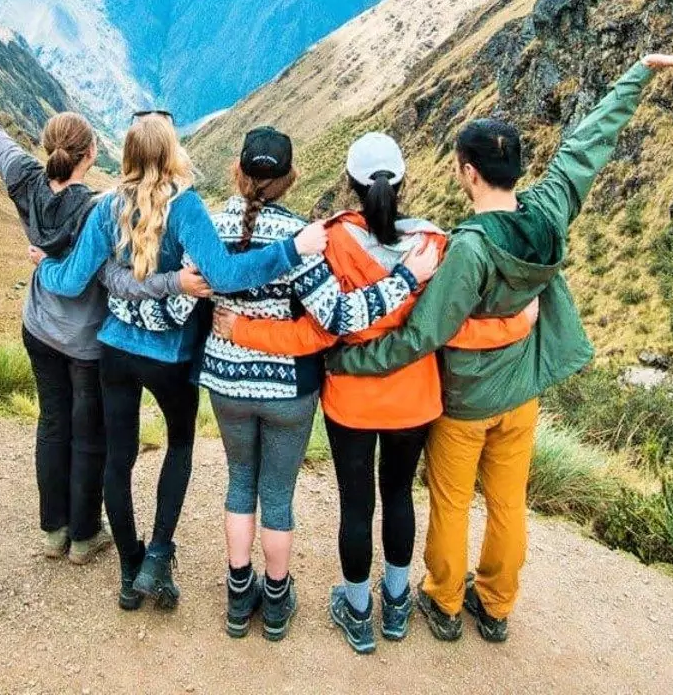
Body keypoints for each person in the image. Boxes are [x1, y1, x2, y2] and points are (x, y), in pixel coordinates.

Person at [328, 53, 673, 646]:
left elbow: (421, 335)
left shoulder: (469, 249)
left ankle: (445, 601)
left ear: (467, 173)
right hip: (522, 396)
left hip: (466, 401)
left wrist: (351, 360)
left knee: (452, 502)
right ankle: (496, 604)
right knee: (508, 504)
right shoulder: (548, 212)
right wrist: (638, 73)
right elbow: (584, 151)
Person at [213, 131, 534, 654]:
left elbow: (319, 330)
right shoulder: (434, 245)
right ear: (403, 182)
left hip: (351, 401)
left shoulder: (332, 241)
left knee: (356, 504)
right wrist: (517, 324)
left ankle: (359, 609)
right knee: (400, 495)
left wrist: (242, 330)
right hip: (415, 398)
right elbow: (449, 326)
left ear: (350, 183)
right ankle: (398, 603)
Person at [110, 126, 432, 641]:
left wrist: (130, 308)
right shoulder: (305, 238)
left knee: (240, 484)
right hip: (288, 389)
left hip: (226, 382)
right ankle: (277, 601)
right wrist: (405, 280)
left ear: (237, 172)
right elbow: (339, 317)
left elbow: (184, 301)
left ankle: (239, 596)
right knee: (277, 497)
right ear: (291, 178)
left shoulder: (209, 227)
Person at [0, 39, 208, 566]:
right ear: (91, 155)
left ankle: (54, 530)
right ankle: (84, 536)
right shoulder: (100, 208)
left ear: (47, 147)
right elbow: (130, 259)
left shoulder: (24, 180)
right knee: (89, 432)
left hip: (39, 327)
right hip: (87, 339)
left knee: (52, 422)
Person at [36, 111, 329, 611]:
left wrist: (45, 266)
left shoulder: (107, 206)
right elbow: (226, 276)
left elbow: (70, 281)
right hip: (170, 354)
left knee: (118, 457)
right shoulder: (186, 206)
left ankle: (129, 570)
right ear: (172, 152)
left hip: (116, 350)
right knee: (179, 446)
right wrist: (290, 251)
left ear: (127, 154)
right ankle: (158, 554)